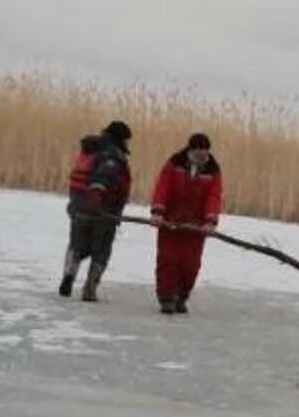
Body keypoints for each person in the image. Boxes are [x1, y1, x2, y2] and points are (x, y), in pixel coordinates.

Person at [149, 132, 224, 314]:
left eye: (205, 150)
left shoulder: (213, 170)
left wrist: (210, 221)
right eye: (199, 150)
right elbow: (163, 187)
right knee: (168, 260)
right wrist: (158, 212)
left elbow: (214, 196)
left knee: (190, 264)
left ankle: (181, 297)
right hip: (170, 222)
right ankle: (166, 298)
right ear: (191, 149)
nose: (203, 154)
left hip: (196, 226)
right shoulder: (175, 163)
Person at [61, 120, 133, 301]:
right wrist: (97, 197)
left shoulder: (91, 150)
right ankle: (90, 288)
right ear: (121, 138)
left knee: (77, 244)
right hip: (103, 210)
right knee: (101, 250)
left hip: (78, 206)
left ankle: (69, 274)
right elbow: (103, 177)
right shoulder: (112, 155)